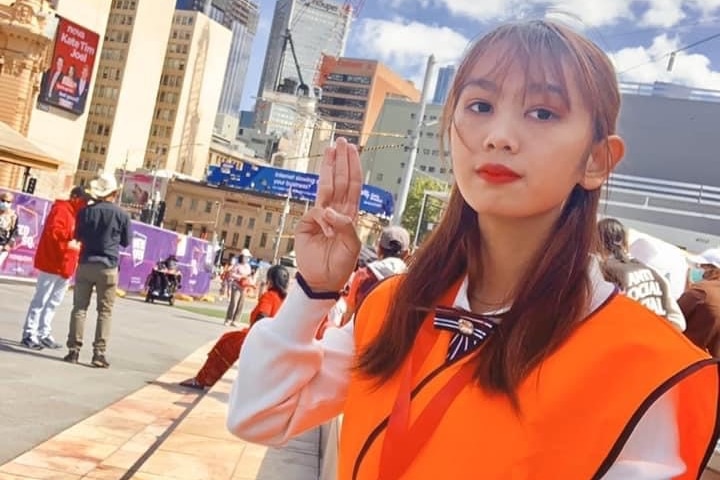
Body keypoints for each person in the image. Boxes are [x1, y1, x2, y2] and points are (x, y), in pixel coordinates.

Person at [226, 20, 720, 479]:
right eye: (480, 106)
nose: (499, 137)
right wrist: (314, 289)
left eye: (543, 113)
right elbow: (260, 416)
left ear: (596, 160)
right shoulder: (392, 307)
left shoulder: (646, 367)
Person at [180, 265, 290, 391]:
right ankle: (208, 378)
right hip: (275, 340)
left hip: (260, 339)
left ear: (271, 280)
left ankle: (202, 379)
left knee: (225, 342)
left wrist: (257, 336)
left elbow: (262, 316)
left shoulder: (270, 296)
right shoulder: (285, 300)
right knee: (229, 340)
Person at [64, 173, 131, 368]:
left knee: (79, 308)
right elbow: (126, 242)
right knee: (105, 312)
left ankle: (73, 350)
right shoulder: (122, 215)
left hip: (85, 263)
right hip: (108, 266)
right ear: (115, 193)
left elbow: (78, 236)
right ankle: (98, 353)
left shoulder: (85, 212)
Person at [20, 186, 88, 350]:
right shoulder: (61, 209)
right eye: (83, 200)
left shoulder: (78, 215)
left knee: (54, 302)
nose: (85, 203)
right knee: (41, 299)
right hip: (52, 261)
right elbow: (54, 232)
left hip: (66, 263)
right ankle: (30, 332)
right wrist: (72, 237)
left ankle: (43, 332)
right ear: (75, 197)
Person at [597, 217, 686, 331]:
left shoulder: (603, 271)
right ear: (625, 242)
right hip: (657, 340)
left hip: (627, 339)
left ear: (597, 242)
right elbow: (679, 322)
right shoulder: (655, 274)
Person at [340, 226, 410, 326]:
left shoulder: (363, 275)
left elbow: (349, 314)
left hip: (360, 334)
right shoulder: (410, 283)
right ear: (407, 254)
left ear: (379, 250)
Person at [679, 249, 720, 356]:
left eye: (701, 266)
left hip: (689, 359)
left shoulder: (701, 291)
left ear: (715, 271)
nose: (697, 269)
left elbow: (673, 320)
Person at [224, 248, 253, 327]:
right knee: (233, 303)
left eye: (247, 257)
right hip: (236, 286)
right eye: (245, 257)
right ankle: (228, 319)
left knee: (241, 304)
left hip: (244, 287)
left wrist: (251, 284)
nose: (247, 259)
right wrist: (240, 277)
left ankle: (236, 320)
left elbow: (249, 276)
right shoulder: (237, 265)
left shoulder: (248, 266)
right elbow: (231, 274)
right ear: (242, 257)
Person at [0, 191, 18, 269]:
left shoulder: (13, 215)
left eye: (8, 202)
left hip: (3, 243)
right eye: (3, 201)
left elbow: (14, 231)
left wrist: (9, 244)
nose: (5, 203)